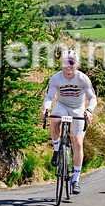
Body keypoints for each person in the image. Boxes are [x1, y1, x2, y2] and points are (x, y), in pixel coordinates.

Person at [41, 50, 97, 195]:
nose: (68, 66)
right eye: (66, 62)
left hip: (78, 109)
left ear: (76, 64)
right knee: (54, 120)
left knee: (78, 143)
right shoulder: (56, 78)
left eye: (71, 62)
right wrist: (46, 109)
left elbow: (92, 98)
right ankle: (56, 150)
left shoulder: (83, 79)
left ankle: (76, 179)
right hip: (62, 106)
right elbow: (49, 97)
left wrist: (89, 111)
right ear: (62, 63)